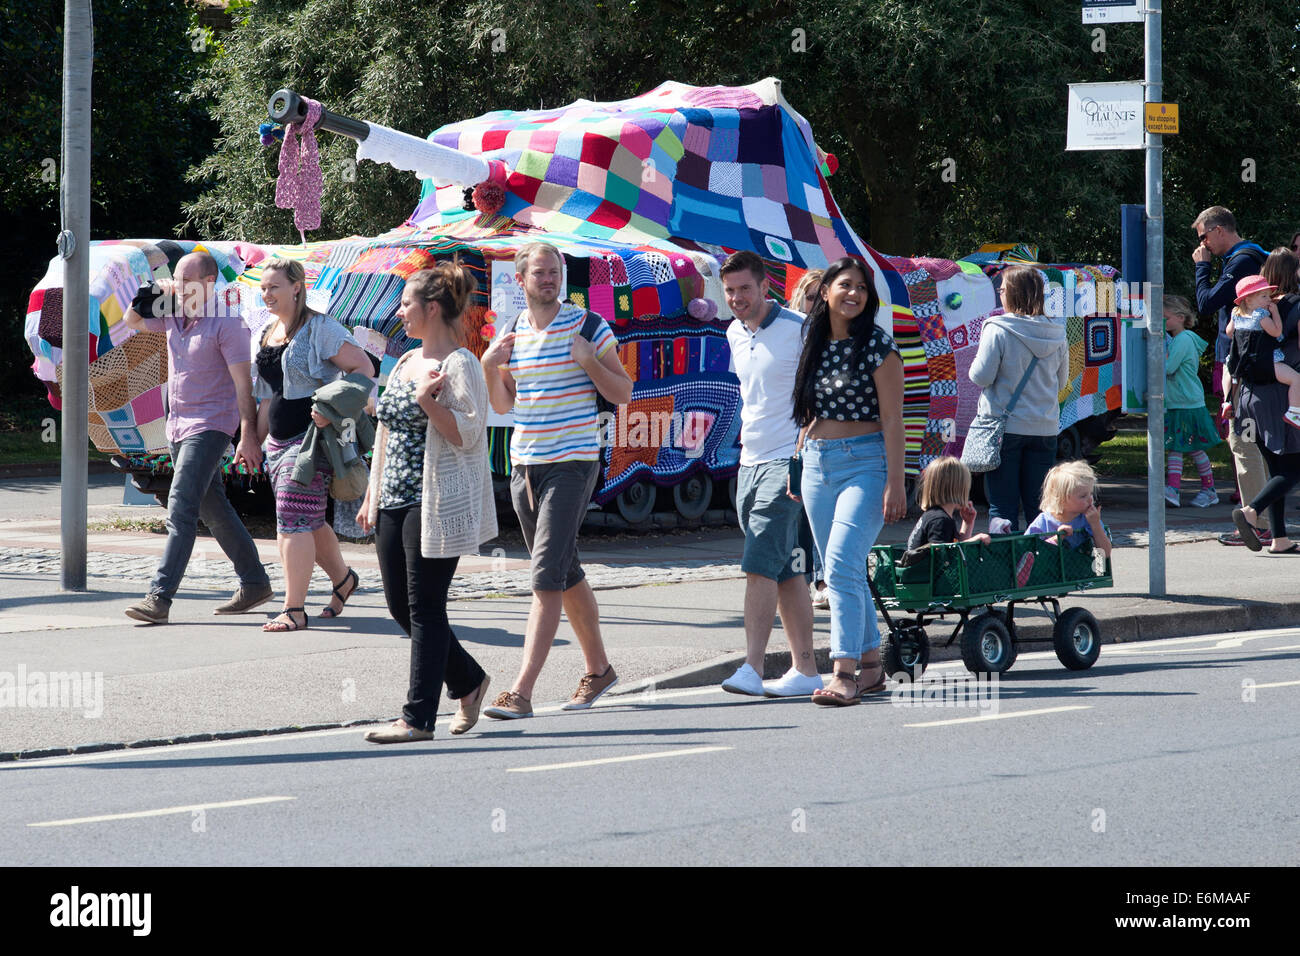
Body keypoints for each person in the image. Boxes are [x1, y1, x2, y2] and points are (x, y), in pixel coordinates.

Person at [479, 242, 633, 718]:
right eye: (540, 273)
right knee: (564, 572)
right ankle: (600, 670)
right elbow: (504, 405)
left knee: (544, 575)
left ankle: (521, 692)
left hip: (573, 461)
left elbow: (624, 392)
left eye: (555, 272)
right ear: (521, 280)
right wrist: (488, 367)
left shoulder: (588, 325)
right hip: (525, 464)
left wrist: (588, 360)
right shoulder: (511, 332)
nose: (549, 280)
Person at [359, 263, 497, 743]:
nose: (400, 312)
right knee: (400, 605)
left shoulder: (460, 364)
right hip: (393, 496)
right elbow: (385, 433)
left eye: (406, 304)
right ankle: (468, 680)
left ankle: (417, 718)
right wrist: (373, 494)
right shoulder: (403, 361)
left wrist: (429, 403)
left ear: (431, 308)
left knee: (426, 607)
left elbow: (468, 433)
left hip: (435, 501)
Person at [120, 252, 272, 624]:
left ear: (209, 284)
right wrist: (157, 288)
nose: (181, 287)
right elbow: (132, 319)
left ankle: (159, 597)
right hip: (177, 425)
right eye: (177, 280)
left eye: (188, 282)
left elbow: (243, 386)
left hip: (211, 425)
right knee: (212, 506)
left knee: (181, 504)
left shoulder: (228, 324)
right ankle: (254, 582)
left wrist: (248, 435)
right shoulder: (173, 313)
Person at [793, 256, 907, 706]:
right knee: (845, 570)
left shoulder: (879, 347)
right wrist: (796, 463)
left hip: (866, 464)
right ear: (825, 292)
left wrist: (896, 483)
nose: (854, 293)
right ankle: (874, 668)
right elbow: (808, 412)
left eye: (862, 287)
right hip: (817, 464)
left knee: (838, 566)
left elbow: (895, 421)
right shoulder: (814, 342)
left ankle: (843, 672)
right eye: (845, 285)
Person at [714, 251, 821, 699]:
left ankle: (752, 667)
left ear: (764, 287)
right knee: (787, 569)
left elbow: (823, 393)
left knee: (758, 562)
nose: (737, 298)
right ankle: (806, 670)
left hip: (788, 460)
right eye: (730, 291)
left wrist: (806, 447)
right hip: (750, 461)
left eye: (744, 289)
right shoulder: (733, 332)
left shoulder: (799, 328)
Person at [252, 258, 374, 631]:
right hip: (277, 441)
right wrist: (253, 441)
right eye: (263, 288)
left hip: (312, 440)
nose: (267, 294)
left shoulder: (320, 327)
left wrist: (331, 407)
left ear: (297, 287)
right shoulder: (267, 330)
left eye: (274, 286)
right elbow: (268, 396)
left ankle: (293, 609)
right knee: (308, 519)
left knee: (291, 520)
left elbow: (364, 370)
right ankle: (343, 580)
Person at [968, 266, 1070, 533]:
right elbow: (1061, 383)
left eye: (1001, 289)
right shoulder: (1057, 332)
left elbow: (981, 376)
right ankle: (1041, 563)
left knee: (1002, 508)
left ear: (1011, 293)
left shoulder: (997, 329)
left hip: (1006, 429)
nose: (999, 294)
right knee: (1041, 507)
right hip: (1045, 428)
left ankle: (1005, 566)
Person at [1229, 248, 1300, 553]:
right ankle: (1251, 511)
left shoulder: (1245, 309)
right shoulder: (1291, 306)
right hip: (1277, 396)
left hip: (1246, 395)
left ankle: (1280, 539)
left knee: (1277, 465)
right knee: (1293, 468)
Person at [1192, 206, 1268, 402]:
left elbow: (1206, 303)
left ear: (1218, 230)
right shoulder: (1247, 256)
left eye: (1203, 237)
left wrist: (1202, 266)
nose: (1202, 244)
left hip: (1242, 357)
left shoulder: (1243, 260)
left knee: (1235, 422)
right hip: (1242, 353)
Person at [789, 269, 829, 611]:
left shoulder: (831, 337)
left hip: (818, 433)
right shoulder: (788, 334)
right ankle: (800, 580)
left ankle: (822, 579)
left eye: (821, 298)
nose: (815, 305)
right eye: (810, 296)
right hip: (787, 435)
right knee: (796, 516)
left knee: (817, 513)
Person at [1162, 296, 1222, 508]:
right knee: (1183, 448)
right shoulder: (1181, 339)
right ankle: (1179, 489)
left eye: (1165, 317)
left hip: (1186, 402)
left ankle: (1199, 489)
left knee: (1186, 447)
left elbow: (1168, 368)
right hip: (1183, 401)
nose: (1162, 321)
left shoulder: (1183, 340)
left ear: (1180, 318)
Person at [1225, 277, 1300, 427]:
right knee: (1296, 379)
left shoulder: (1236, 314)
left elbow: (1229, 332)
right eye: (1264, 296)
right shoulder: (1260, 315)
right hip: (1267, 361)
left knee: (1232, 374)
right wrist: (1276, 313)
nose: (1269, 300)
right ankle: (1294, 412)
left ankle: (1227, 402)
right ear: (1248, 300)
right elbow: (1277, 332)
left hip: (1243, 362)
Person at [900, 456, 991, 567]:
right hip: (928, 580)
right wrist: (974, 541)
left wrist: (967, 523)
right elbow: (944, 556)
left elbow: (954, 545)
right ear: (958, 489)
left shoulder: (935, 515)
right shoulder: (940, 520)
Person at [1026, 460, 1112, 558]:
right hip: (1052, 571)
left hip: (1085, 570)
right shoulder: (1044, 521)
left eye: (1091, 493)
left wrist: (1095, 524)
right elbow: (1027, 550)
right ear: (1061, 498)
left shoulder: (1088, 519)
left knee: (1099, 569)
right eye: (1083, 496)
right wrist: (1057, 538)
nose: (1090, 499)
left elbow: (1106, 553)